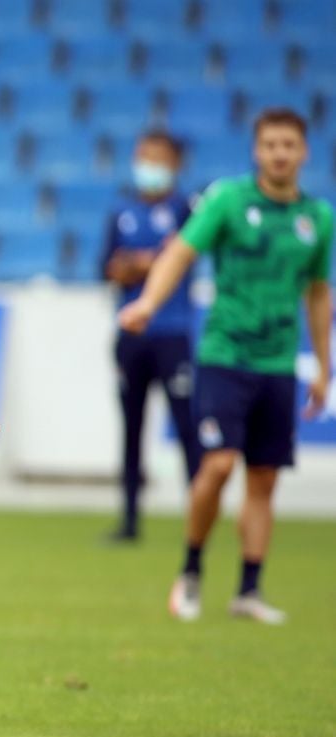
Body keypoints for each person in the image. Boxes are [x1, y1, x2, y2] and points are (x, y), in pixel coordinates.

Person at [120, 108, 332, 624]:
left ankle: (249, 590)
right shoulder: (228, 200)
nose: (280, 153)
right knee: (217, 465)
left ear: (303, 152)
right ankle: (190, 571)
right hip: (224, 355)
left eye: (289, 145)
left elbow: (319, 294)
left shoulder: (318, 219)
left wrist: (324, 366)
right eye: (270, 145)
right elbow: (180, 253)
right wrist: (148, 302)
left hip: (279, 363)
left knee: (263, 479)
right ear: (257, 151)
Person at [100, 130, 202, 542]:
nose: (148, 167)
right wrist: (150, 261)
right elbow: (109, 268)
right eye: (143, 157)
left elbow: (182, 256)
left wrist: (139, 264)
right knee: (131, 429)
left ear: (175, 165)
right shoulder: (121, 212)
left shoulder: (186, 210)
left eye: (156, 159)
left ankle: (199, 517)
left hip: (172, 333)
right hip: (130, 335)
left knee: (187, 429)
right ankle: (129, 520)